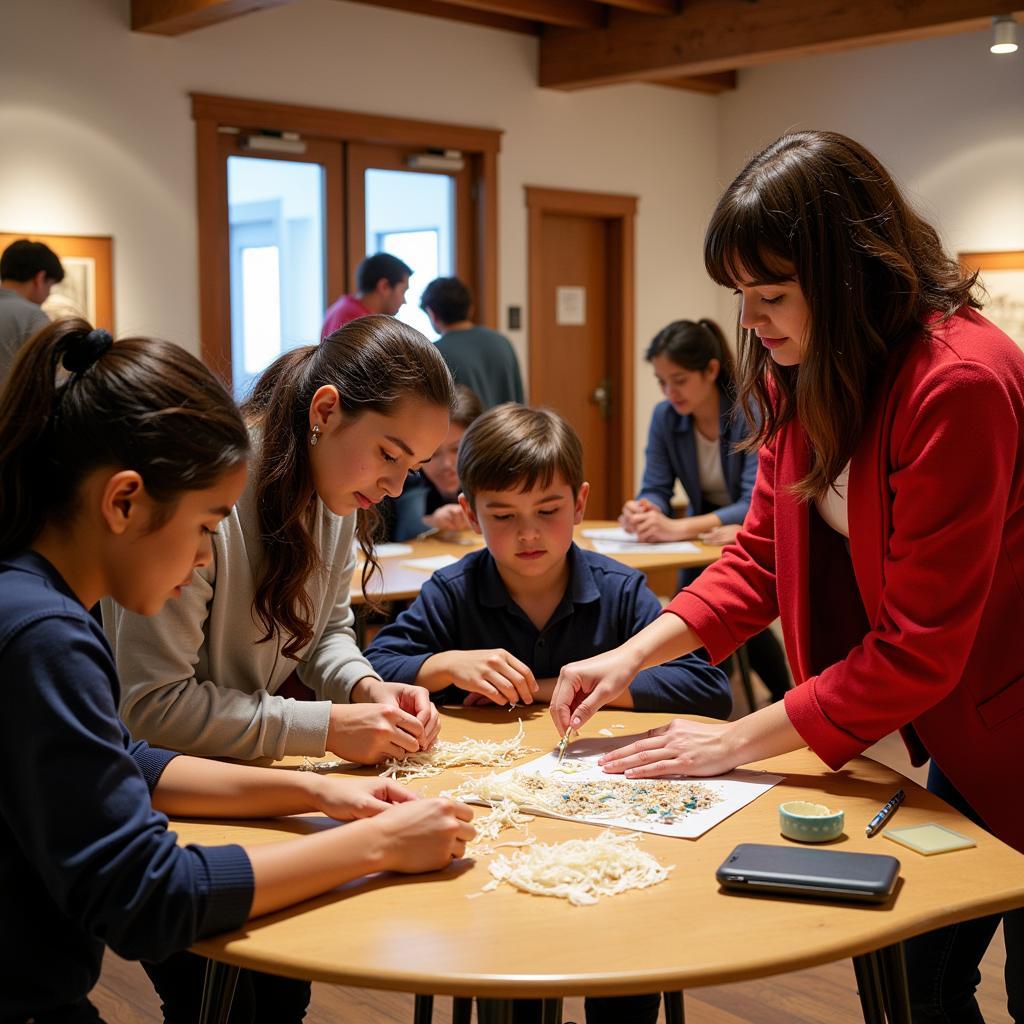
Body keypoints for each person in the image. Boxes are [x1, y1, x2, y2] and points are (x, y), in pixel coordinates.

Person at [551, 130, 1024, 1024]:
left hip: (1007, 712)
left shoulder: (957, 383)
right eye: (742, 297)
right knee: (915, 980)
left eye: (772, 295)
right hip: (938, 731)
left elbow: (920, 645)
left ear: (854, 278)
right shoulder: (800, 368)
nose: (753, 322)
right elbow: (761, 557)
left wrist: (729, 741)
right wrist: (633, 655)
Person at [0, 318, 475, 1022]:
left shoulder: (35, 604)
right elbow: (148, 896)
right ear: (124, 501)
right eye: (202, 528)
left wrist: (322, 799)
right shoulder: (45, 636)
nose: (203, 561)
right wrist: (368, 840)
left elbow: (132, 762)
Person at [621, 318, 790, 703]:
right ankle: (742, 693)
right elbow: (656, 486)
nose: (669, 392)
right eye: (661, 381)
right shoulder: (666, 417)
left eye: (678, 380)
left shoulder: (750, 407)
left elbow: (754, 501)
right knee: (701, 607)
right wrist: (646, 508)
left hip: (746, 522)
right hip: (704, 529)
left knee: (730, 606)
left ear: (711, 370)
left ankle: (769, 696)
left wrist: (676, 529)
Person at [385, 384, 482, 541]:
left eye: (456, 450)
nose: (446, 464)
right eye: (433, 454)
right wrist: (435, 521)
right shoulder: (412, 476)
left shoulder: (489, 472)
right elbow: (407, 527)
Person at [422, 275, 524, 409]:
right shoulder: (502, 342)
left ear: (431, 313)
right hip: (506, 429)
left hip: (468, 430)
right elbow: (520, 400)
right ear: (471, 309)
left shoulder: (435, 353)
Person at [0, 237, 64, 387]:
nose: (48, 294)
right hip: (12, 409)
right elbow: (51, 377)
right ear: (39, 278)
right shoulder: (33, 317)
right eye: (50, 286)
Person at [321, 251, 412, 337]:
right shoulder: (358, 322)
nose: (404, 301)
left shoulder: (343, 308)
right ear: (384, 286)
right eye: (403, 291)